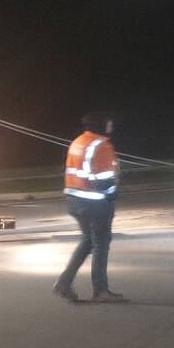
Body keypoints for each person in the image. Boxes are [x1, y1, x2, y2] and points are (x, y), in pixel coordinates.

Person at [53, 112, 124, 303]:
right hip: (95, 202)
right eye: (108, 123)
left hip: (74, 199)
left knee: (87, 241)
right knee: (101, 243)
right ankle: (101, 290)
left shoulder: (78, 142)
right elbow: (103, 178)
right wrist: (111, 193)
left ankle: (64, 282)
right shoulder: (101, 145)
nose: (110, 126)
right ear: (100, 125)